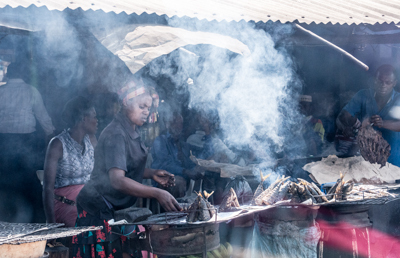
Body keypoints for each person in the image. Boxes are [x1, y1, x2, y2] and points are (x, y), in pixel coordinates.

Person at [72, 80, 180, 258]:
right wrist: (156, 193)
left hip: (112, 208)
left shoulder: (131, 130)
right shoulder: (116, 134)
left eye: (149, 108)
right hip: (96, 208)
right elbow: (117, 179)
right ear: (126, 102)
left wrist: (152, 173)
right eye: (142, 106)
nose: (146, 111)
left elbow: (124, 168)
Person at [0, 62, 55, 222]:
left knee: (4, 179)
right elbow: (44, 119)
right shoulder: (32, 91)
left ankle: (5, 217)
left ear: (7, 75)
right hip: (26, 142)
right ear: (23, 75)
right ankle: (33, 220)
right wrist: (52, 133)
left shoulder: (1, 91)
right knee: (27, 182)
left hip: (3, 142)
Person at [42, 96, 98, 227]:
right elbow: (47, 188)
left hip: (86, 205)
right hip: (65, 206)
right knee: (82, 228)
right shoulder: (57, 144)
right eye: (94, 117)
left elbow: (98, 176)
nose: (97, 121)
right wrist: (51, 224)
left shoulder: (92, 140)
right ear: (83, 119)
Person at [337, 64, 400, 166]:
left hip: (394, 162)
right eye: (380, 81)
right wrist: (352, 124)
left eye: (388, 82)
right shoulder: (363, 95)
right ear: (375, 80)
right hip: (366, 163)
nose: (383, 85)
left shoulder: (398, 99)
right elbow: (344, 114)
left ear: (394, 83)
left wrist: (382, 123)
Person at [151, 112, 204, 198]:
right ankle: (178, 210)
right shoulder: (160, 141)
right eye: (175, 122)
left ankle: (197, 206)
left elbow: (201, 151)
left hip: (183, 180)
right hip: (162, 179)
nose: (178, 126)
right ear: (168, 124)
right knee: (179, 181)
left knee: (204, 175)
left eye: (180, 123)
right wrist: (185, 171)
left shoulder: (183, 145)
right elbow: (165, 164)